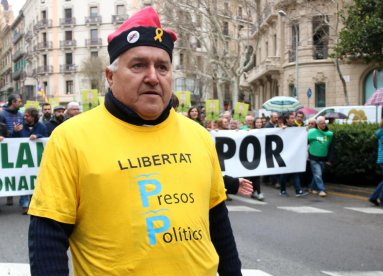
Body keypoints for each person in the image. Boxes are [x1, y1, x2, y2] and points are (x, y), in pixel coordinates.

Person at [28, 7, 241, 276]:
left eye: (162, 67)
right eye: (139, 65)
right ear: (110, 76)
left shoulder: (198, 135)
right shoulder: (70, 138)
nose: (153, 76)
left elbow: (218, 220)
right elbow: (48, 235)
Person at [12, 107, 47, 214]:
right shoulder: (20, 126)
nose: (25, 117)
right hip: (22, 159)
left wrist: (38, 136)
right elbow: (12, 141)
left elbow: (46, 138)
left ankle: (34, 203)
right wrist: (15, 132)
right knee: (24, 181)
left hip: (36, 160)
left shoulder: (41, 127)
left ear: (33, 116)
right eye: (25, 115)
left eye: (27, 116)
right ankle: (24, 204)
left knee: (35, 181)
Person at [0, 94, 23, 206]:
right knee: (5, 170)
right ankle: (6, 192)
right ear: (13, 102)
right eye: (19, 101)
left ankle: (11, 194)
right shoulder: (2, 114)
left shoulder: (20, 114)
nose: (20, 103)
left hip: (17, 146)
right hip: (4, 146)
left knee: (15, 170)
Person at [307, 116, 334, 197]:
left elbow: (331, 147)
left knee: (317, 174)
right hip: (313, 157)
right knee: (318, 173)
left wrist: (330, 159)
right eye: (322, 123)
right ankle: (321, 190)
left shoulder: (329, 134)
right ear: (318, 124)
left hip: (323, 157)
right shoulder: (311, 132)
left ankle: (311, 188)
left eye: (324, 123)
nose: (324, 124)